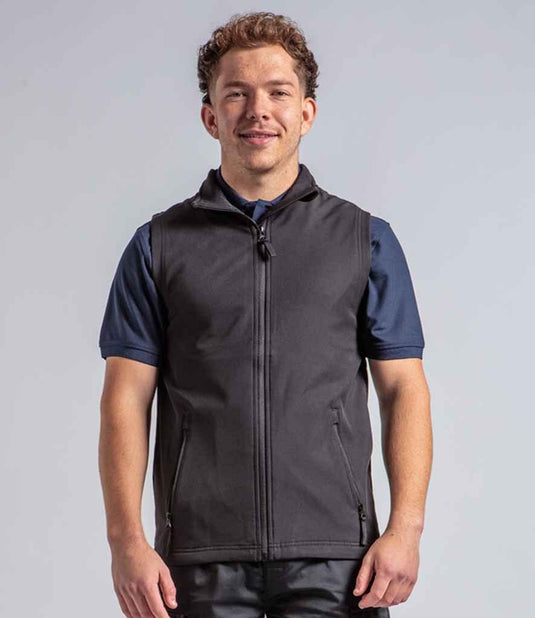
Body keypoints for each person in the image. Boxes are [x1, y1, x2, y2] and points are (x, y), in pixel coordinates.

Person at [98, 10, 432, 618]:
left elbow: (403, 389)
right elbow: (125, 398)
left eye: (278, 93)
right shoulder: (157, 246)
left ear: (306, 112)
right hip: (198, 561)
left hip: (339, 561)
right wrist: (126, 544)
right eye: (237, 94)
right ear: (211, 116)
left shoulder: (365, 240)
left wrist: (405, 530)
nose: (258, 111)